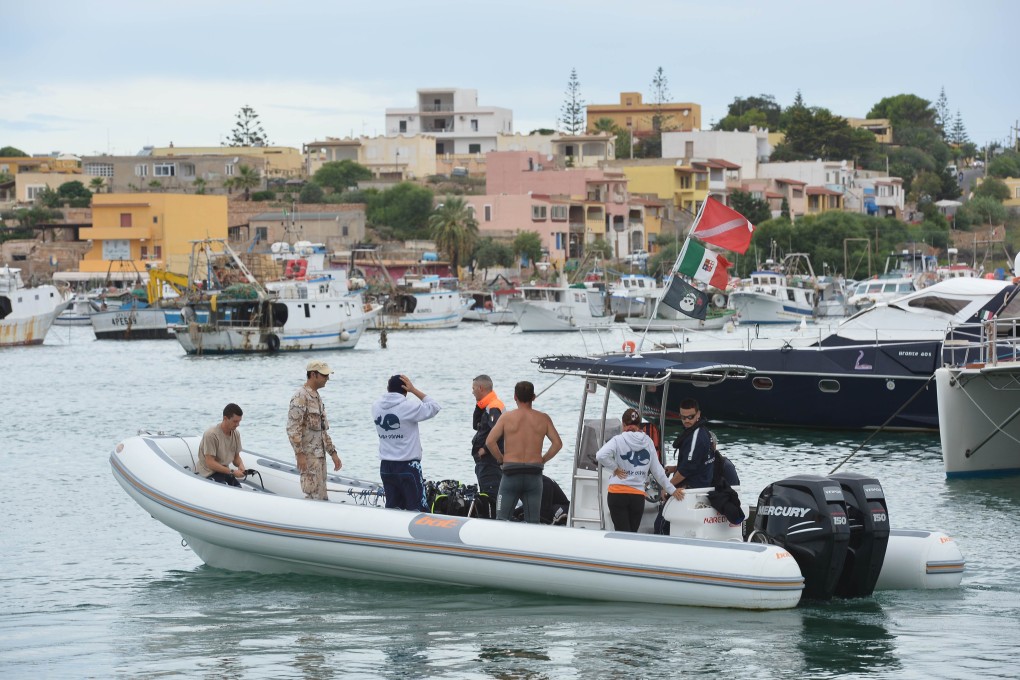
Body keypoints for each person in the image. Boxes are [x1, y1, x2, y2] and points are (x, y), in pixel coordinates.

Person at [485, 380, 562, 523]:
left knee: (501, 519)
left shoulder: (506, 417)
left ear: (515, 397)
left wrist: (500, 459)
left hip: (511, 474)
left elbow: (490, 442)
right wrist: (543, 459)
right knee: (533, 522)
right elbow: (557, 444)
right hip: (534, 474)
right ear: (533, 397)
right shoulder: (543, 418)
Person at [596, 408, 684, 532]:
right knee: (632, 536)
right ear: (639, 424)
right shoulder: (648, 441)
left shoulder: (618, 440)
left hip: (617, 493)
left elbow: (600, 455)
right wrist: (672, 490)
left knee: (621, 536)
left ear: (623, 424)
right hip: (637, 496)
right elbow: (658, 470)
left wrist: (615, 468)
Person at [373, 374, 441, 511]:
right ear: (405, 389)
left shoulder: (376, 406)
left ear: (388, 388)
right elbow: (434, 406)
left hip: (386, 467)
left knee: (393, 509)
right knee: (417, 510)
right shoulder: (408, 406)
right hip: (408, 466)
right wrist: (414, 390)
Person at [288, 360, 342, 501]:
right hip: (309, 458)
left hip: (320, 458)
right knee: (312, 495)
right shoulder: (300, 396)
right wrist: (299, 454)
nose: (327, 379)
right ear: (313, 375)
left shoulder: (317, 397)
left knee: (322, 495)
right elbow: (293, 429)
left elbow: (322, 430)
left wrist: (333, 453)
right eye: (324, 375)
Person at [470, 374, 504, 515]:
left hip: (490, 462)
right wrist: (479, 405)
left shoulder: (494, 407)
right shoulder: (487, 406)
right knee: (485, 494)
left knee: (491, 497)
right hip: (483, 462)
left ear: (480, 388)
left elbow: (497, 432)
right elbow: (475, 426)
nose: (472, 392)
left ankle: (494, 523)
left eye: (473, 388)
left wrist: (484, 450)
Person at [667, 398, 717, 490]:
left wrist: (667, 487)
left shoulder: (695, 437)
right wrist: (674, 468)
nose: (686, 420)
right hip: (703, 485)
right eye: (683, 417)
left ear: (698, 414)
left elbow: (686, 470)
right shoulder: (703, 430)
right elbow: (697, 462)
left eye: (690, 417)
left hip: (692, 488)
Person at [196, 403, 246, 486]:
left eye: (239, 421)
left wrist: (241, 465)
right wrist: (232, 472)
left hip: (224, 471)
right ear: (225, 418)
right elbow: (210, 463)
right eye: (235, 421)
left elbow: (236, 458)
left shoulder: (236, 434)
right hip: (208, 473)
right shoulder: (211, 434)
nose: (238, 424)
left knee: (238, 488)